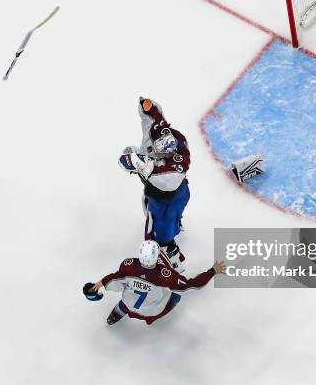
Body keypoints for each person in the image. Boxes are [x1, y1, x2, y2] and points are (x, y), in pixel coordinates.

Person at [119, 98, 190, 272]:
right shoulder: (160, 134)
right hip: (160, 195)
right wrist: (147, 106)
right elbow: (154, 117)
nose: (157, 151)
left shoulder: (177, 166)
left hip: (169, 200)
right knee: (147, 207)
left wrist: (142, 164)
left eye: (163, 151)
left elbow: (166, 181)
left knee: (161, 236)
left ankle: (175, 266)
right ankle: (176, 225)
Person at [91, 240, 226, 325]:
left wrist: (102, 282)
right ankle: (150, 320)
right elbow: (190, 286)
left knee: (126, 303)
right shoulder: (165, 276)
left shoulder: (129, 265)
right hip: (152, 310)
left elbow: (115, 281)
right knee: (177, 296)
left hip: (128, 302)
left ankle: (115, 315)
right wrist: (212, 271)